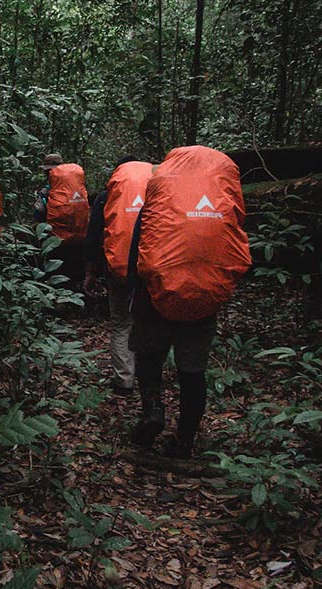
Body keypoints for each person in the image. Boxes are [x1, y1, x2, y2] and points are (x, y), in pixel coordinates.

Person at [127, 145, 252, 459]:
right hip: (205, 297)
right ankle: (184, 441)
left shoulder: (159, 199)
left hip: (155, 294)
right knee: (192, 372)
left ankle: (153, 409)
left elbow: (137, 247)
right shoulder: (223, 202)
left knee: (148, 357)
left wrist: (134, 287)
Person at [83, 156, 154, 396]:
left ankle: (124, 380)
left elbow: (93, 235)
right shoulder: (159, 193)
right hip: (152, 269)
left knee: (122, 323)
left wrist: (90, 271)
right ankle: (149, 380)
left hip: (118, 268)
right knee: (149, 322)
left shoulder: (107, 197)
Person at [36, 153, 89, 278]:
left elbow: (38, 214)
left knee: (59, 276)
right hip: (80, 240)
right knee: (77, 274)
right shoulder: (78, 188)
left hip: (57, 242)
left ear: (49, 172)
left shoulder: (47, 192)